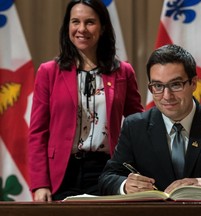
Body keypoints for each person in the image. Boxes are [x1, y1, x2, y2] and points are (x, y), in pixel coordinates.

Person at [98, 44, 201, 195]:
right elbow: (108, 177)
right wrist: (125, 185)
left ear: (194, 83)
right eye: (158, 86)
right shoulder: (135, 126)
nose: (167, 96)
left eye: (176, 85)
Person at [28, 0, 143, 201]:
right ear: (67, 27)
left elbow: (138, 126)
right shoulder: (48, 72)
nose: (81, 29)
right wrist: (40, 184)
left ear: (103, 27)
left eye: (90, 22)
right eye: (75, 22)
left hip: (108, 171)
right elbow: (38, 132)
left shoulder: (123, 72)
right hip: (62, 173)